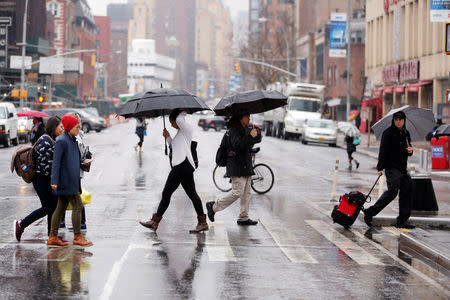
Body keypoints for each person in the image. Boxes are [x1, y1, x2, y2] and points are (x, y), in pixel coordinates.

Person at [139, 109, 208, 233]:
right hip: (183, 166)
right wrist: (168, 137)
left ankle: (155, 221)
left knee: (167, 193)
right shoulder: (180, 133)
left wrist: (181, 111)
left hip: (182, 166)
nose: (171, 125)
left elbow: (179, 120)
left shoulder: (186, 129)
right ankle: (202, 223)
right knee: (192, 194)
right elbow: (175, 146)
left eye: (172, 122)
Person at [14, 116, 65, 242]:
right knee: (49, 207)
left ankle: (51, 236)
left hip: (44, 179)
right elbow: (44, 167)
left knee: (50, 207)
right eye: (61, 127)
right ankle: (21, 224)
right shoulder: (45, 141)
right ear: (54, 127)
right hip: (41, 180)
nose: (63, 129)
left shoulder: (51, 139)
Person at [206, 110, 259, 226]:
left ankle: (243, 217)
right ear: (241, 118)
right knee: (237, 192)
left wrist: (256, 135)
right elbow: (238, 146)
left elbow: (249, 144)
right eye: (247, 116)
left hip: (244, 165)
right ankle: (213, 206)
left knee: (246, 193)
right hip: (237, 166)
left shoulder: (242, 129)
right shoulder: (234, 130)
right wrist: (250, 136)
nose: (249, 119)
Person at [363, 111, 415, 229]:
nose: (398, 121)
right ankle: (370, 212)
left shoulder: (406, 133)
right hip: (391, 168)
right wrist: (380, 167)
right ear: (393, 120)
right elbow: (383, 151)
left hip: (402, 168)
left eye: (400, 119)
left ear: (404, 120)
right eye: (396, 119)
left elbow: (409, 150)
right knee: (393, 191)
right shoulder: (388, 133)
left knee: (408, 188)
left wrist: (411, 151)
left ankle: (402, 220)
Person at [48, 115, 93, 247]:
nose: (78, 129)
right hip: (66, 181)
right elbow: (56, 163)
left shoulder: (72, 140)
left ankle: (53, 236)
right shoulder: (61, 141)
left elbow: (72, 159)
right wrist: (54, 181)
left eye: (79, 126)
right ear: (68, 127)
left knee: (60, 208)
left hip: (72, 180)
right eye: (76, 127)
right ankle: (78, 237)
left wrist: (82, 162)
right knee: (78, 205)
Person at [60, 112, 89, 230]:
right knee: (69, 197)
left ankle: (81, 223)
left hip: (73, 172)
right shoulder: (78, 135)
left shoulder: (76, 137)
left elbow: (76, 154)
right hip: (74, 172)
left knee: (75, 198)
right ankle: (67, 222)